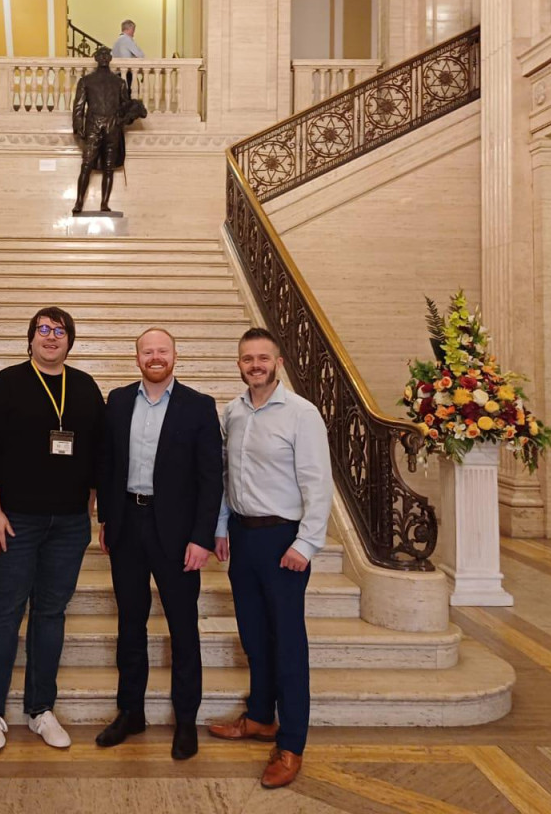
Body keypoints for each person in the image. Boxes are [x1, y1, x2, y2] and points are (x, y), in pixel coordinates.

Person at [0, 306, 105, 752]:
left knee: (50, 614)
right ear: (30, 339)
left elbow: (98, 450)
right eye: (43, 330)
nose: (51, 337)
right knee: (5, 613)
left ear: (70, 340)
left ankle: (40, 709)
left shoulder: (84, 387)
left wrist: (89, 503)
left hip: (67, 525)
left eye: (59, 331)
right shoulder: (6, 383)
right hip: (14, 522)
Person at [208, 327, 334, 790]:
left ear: (277, 362)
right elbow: (227, 477)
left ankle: (292, 743)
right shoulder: (233, 412)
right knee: (254, 637)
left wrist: (306, 544)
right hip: (242, 537)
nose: (255, 364)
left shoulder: (302, 414)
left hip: (284, 541)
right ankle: (260, 718)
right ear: (238, 363)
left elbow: (319, 483)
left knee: (287, 644)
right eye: (247, 358)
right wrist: (221, 527)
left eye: (263, 357)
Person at [95, 328, 222, 760]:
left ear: (175, 356)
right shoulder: (117, 401)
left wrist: (202, 538)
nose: (155, 357)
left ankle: (185, 720)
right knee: (130, 625)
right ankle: (131, 712)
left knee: (183, 629)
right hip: (128, 525)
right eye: (147, 351)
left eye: (162, 351)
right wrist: (107, 519)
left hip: (178, 534)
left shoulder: (200, 407)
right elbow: (107, 463)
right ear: (136, 358)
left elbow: (211, 480)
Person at [72, 47, 130, 214]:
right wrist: (78, 126)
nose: (104, 57)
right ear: (96, 58)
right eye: (101, 55)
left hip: (112, 126)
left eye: (107, 55)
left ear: (110, 58)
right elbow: (79, 107)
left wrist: (129, 114)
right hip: (93, 125)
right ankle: (79, 202)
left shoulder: (119, 82)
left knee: (109, 167)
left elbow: (124, 107)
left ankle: (104, 203)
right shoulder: (86, 81)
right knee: (86, 164)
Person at [111, 19, 144, 98]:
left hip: (116, 74)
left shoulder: (117, 41)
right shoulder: (127, 39)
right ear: (129, 29)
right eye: (133, 30)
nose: (134, 33)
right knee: (129, 97)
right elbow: (140, 55)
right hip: (126, 73)